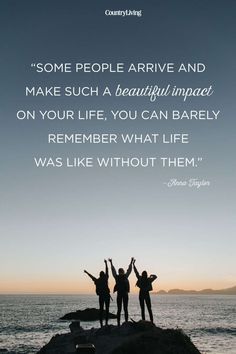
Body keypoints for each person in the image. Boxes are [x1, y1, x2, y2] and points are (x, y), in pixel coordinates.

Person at [84, 259, 110, 327]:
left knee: (101, 309)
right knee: (107, 309)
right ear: (103, 275)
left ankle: (101, 323)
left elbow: (91, 277)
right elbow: (107, 270)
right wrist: (106, 263)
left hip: (101, 296)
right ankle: (106, 323)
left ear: (99, 275)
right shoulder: (105, 278)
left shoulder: (97, 281)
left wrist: (87, 273)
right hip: (107, 295)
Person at [108, 258, 133, 326]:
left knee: (124, 309)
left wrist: (131, 262)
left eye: (121, 271)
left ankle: (125, 322)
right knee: (120, 309)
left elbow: (129, 270)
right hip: (122, 294)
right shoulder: (122, 277)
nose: (121, 272)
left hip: (123, 294)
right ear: (121, 272)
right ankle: (120, 323)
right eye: (120, 271)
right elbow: (113, 270)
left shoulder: (121, 277)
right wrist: (111, 263)